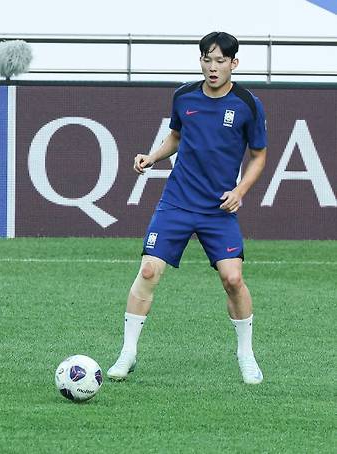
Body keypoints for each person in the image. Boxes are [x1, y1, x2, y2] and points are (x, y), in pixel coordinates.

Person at [107, 32, 266, 385]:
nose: (213, 67)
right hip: (177, 201)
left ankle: (246, 354)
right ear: (200, 61)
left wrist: (240, 190)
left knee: (233, 279)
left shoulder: (248, 104)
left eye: (220, 61)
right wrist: (153, 156)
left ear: (233, 64)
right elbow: (176, 137)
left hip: (218, 209)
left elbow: (258, 156)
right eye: (207, 60)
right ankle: (127, 354)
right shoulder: (184, 96)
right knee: (148, 271)